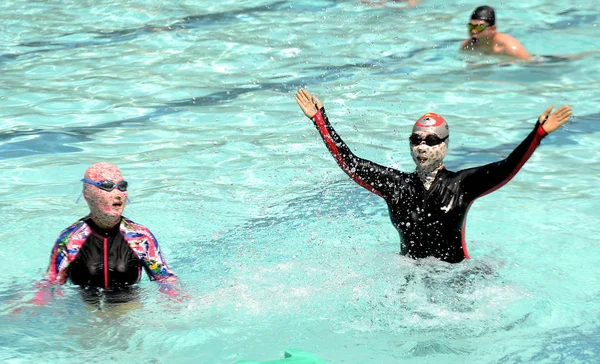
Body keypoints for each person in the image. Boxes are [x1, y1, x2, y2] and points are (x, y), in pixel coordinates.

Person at [295, 89, 572, 263]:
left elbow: (507, 167)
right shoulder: (396, 186)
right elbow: (350, 162)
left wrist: (538, 133)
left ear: (445, 145)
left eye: (430, 140)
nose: (421, 147)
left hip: (458, 278)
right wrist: (320, 119)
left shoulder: (461, 185)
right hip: (411, 278)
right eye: (416, 140)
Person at [34, 162, 182, 305]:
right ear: (87, 194)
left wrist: (178, 300)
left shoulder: (140, 237)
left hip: (128, 312)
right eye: (107, 186)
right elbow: (51, 284)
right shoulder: (71, 239)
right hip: (85, 314)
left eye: (122, 186)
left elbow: (165, 278)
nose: (118, 194)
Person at [460, 6, 531, 61]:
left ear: (493, 29)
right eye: (471, 26)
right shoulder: (467, 46)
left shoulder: (511, 48)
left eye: (479, 27)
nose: (473, 31)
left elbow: (527, 66)